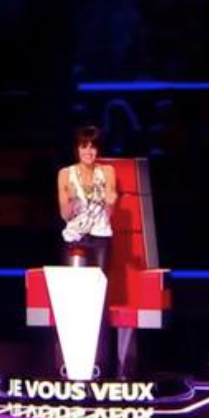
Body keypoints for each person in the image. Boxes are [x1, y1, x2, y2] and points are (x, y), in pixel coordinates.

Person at [56, 125, 118, 378]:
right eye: (84, 146)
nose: (89, 151)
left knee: (98, 298)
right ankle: (70, 361)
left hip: (101, 236)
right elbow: (64, 214)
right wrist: (71, 200)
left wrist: (111, 201)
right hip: (75, 238)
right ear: (77, 149)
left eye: (93, 146)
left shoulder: (107, 171)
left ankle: (100, 361)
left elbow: (110, 207)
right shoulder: (65, 174)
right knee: (75, 297)